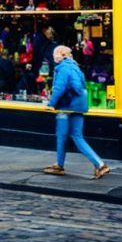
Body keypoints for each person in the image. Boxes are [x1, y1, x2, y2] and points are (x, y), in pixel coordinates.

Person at [43, 45, 109, 179]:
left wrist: (51, 103)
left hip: (66, 106)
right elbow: (81, 86)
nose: (53, 56)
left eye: (55, 54)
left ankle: (59, 166)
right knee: (77, 136)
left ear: (62, 54)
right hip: (78, 106)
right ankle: (100, 164)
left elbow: (59, 88)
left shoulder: (63, 68)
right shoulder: (75, 67)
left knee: (61, 136)